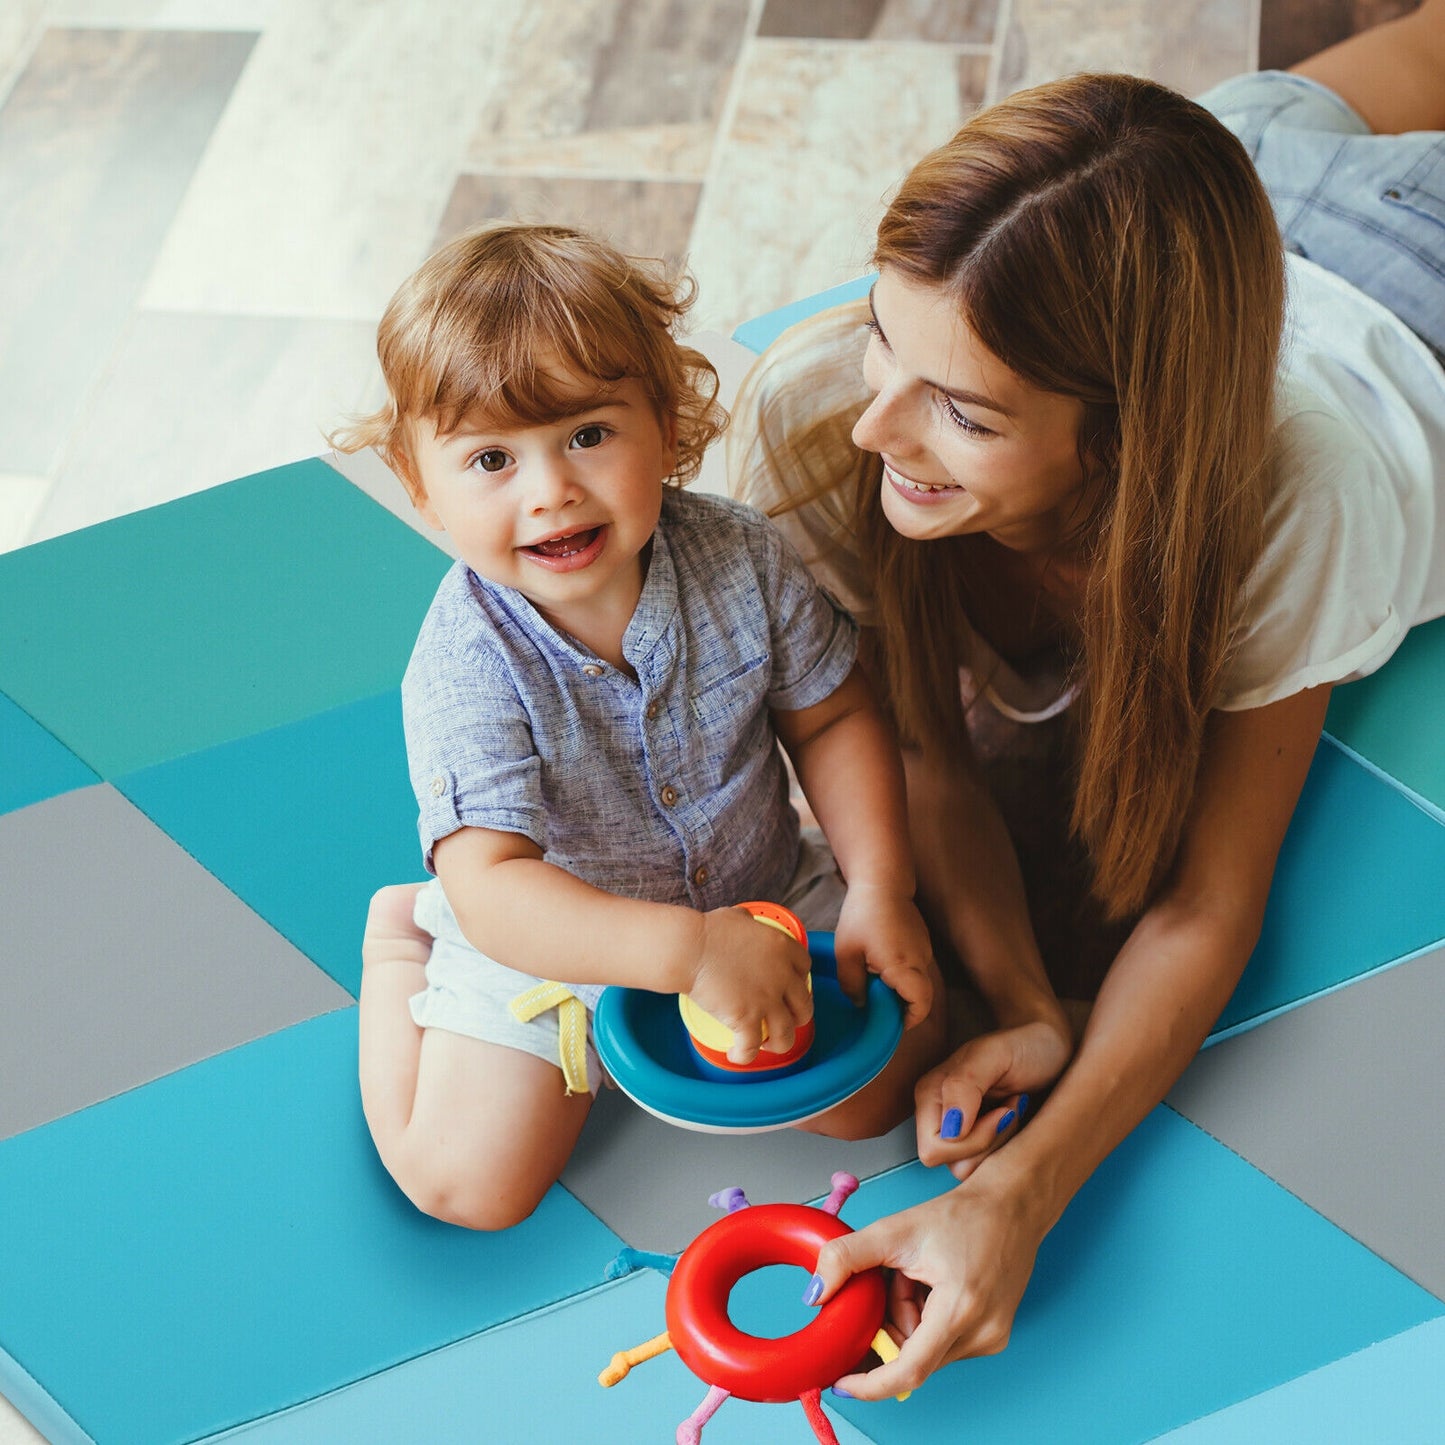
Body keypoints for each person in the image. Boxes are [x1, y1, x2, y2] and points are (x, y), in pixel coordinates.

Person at [727, 2, 1445, 1397]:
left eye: (962, 412)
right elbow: (916, 745)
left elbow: (1205, 904)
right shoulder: (817, 417)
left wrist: (1022, 1194)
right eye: (882, 334)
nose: (877, 426)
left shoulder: (1296, 506)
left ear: (1121, 446)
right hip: (1221, 186)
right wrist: (1023, 1001)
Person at [331, 222, 947, 1231]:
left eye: (587, 434)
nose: (551, 491)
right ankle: (403, 938)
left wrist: (881, 884)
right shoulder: (463, 664)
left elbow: (834, 714)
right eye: (491, 458)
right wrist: (687, 952)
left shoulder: (740, 555)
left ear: (665, 421)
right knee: (468, 1188)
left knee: (880, 1094)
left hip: (759, 886)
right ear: (418, 482)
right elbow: (496, 886)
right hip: (543, 939)